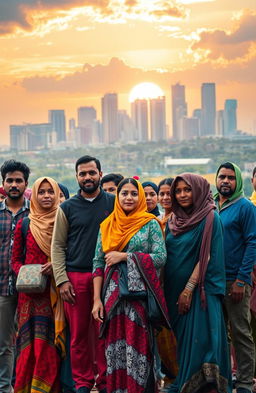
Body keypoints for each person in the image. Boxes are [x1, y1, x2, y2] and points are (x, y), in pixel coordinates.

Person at [92, 178, 170, 393]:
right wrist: (97, 300)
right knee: (114, 349)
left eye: (134, 194)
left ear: (140, 197)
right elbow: (98, 263)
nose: (129, 197)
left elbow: (161, 257)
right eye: (124, 193)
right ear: (117, 197)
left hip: (139, 297)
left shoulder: (150, 224)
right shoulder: (107, 224)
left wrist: (125, 256)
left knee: (139, 346)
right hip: (111, 297)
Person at [51, 155, 115, 393]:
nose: (87, 177)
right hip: (75, 277)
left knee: (103, 331)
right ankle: (83, 383)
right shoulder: (66, 208)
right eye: (82, 174)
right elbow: (57, 246)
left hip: (107, 276)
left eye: (91, 172)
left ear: (100, 173)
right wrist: (62, 279)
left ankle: (105, 381)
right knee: (78, 336)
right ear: (77, 176)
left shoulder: (113, 202)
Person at [164, 173, 231, 393]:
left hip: (199, 291)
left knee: (202, 339)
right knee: (184, 342)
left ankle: (204, 387)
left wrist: (189, 289)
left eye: (187, 189)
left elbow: (208, 256)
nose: (182, 194)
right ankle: (185, 379)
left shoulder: (210, 218)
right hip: (173, 290)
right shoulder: (173, 220)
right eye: (178, 190)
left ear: (199, 190)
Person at [11, 177, 61, 393]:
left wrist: (57, 265)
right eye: (42, 192)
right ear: (35, 196)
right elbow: (14, 259)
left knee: (50, 345)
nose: (47, 196)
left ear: (57, 193)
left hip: (55, 293)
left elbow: (70, 252)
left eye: (51, 191)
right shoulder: (25, 223)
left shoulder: (63, 220)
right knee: (27, 346)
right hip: (29, 297)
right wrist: (28, 275)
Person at [215, 162, 256, 393]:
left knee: (240, 332)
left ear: (238, 181)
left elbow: (253, 244)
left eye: (231, 178)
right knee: (218, 332)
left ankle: (244, 383)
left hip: (236, 281)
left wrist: (242, 280)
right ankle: (223, 379)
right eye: (222, 177)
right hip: (214, 281)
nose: (226, 181)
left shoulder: (245, 207)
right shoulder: (211, 205)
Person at [0, 159, 30, 393]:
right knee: (4, 344)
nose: (14, 184)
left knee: (29, 340)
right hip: (2, 287)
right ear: (3, 183)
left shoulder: (36, 213)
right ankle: (5, 388)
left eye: (18, 180)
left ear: (25, 183)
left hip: (32, 288)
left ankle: (26, 385)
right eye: (9, 180)